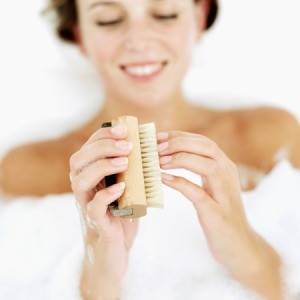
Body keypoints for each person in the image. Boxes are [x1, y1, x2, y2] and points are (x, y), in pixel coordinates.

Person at [1, 0, 300, 298]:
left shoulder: (271, 138)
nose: (139, 41)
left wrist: (241, 242)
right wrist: (98, 274)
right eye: (108, 20)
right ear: (78, 34)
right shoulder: (28, 169)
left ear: (199, 17)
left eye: (165, 14)